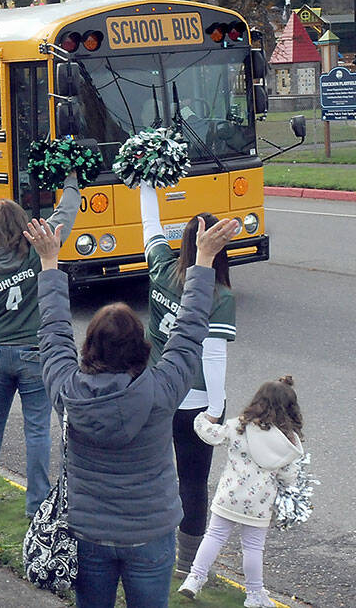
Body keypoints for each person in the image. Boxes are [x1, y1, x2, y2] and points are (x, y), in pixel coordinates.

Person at [31, 214, 240, 608]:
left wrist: (49, 264)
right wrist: (204, 259)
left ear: (89, 347)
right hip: (151, 531)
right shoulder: (163, 389)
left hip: (88, 533)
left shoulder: (67, 389)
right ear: (142, 347)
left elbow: (53, 330)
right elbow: (190, 328)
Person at [0, 177, 80, 518]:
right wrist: (71, 181)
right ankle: (37, 503)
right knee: (37, 428)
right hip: (34, 353)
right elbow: (65, 215)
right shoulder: (37, 249)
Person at [139, 184, 237, 575]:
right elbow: (213, 356)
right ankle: (186, 563)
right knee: (193, 483)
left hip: (156, 392)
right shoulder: (218, 294)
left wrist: (146, 183)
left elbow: (150, 226)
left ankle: (148, 546)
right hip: (196, 402)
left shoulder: (162, 268)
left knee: (154, 474)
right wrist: (215, 410)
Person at [179, 377, 306, 607]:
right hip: (259, 504)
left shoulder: (240, 426)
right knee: (253, 548)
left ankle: (194, 578)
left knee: (214, 536)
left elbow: (211, 434)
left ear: (258, 401)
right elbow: (289, 477)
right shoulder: (288, 443)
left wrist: (201, 418)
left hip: (229, 495)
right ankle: (254, 594)